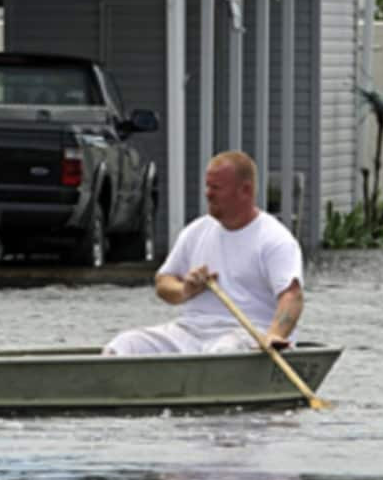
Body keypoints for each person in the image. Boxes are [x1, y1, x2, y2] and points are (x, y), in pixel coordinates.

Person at [104, 150, 304, 355]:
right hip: (191, 331)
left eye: (216, 188)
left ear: (245, 190)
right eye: (207, 186)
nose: (208, 194)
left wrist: (274, 335)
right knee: (124, 344)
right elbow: (163, 282)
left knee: (224, 350)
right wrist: (185, 290)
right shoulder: (195, 232)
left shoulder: (275, 239)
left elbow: (292, 296)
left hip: (249, 334)